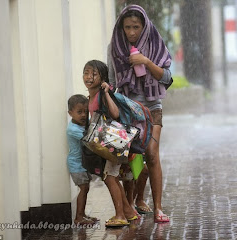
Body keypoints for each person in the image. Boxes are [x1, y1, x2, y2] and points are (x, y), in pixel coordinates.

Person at [108, 4, 172, 223]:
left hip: (152, 108)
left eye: (136, 27)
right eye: (127, 27)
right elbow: (113, 83)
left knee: (152, 154)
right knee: (130, 160)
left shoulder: (155, 43)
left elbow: (167, 78)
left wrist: (145, 61)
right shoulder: (115, 47)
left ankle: (158, 208)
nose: (132, 32)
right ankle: (132, 203)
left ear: (144, 26)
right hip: (128, 111)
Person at [82, 60, 137, 227]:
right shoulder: (90, 96)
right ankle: (128, 212)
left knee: (110, 178)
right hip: (105, 145)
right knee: (110, 177)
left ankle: (120, 215)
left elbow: (115, 113)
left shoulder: (102, 94)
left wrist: (106, 92)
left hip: (113, 142)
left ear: (102, 77)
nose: (89, 77)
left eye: (94, 74)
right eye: (86, 72)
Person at [66, 94, 99, 226]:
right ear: (70, 113)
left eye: (86, 111)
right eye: (79, 112)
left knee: (86, 188)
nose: (84, 115)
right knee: (84, 188)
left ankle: (82, 214)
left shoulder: (81, 125)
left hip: (82, 164)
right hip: (76, 165)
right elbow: (89, 139)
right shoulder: (72, 129)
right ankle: (79, 217)